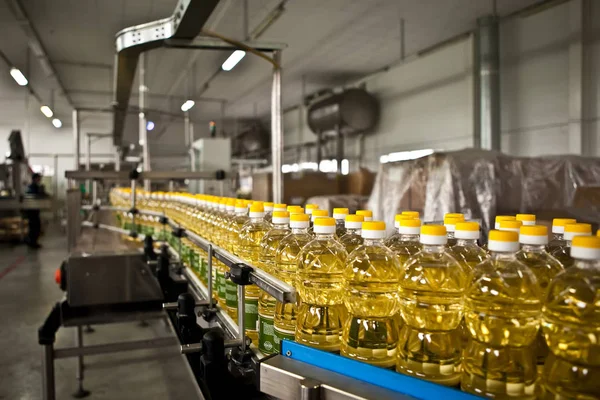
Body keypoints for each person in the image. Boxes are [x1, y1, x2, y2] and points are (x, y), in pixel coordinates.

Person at [24, 172, 46, 249]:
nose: (40, 179)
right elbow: (35, 196)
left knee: (35, 226)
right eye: (38, 178)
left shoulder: (34, 186)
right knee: (34, 227)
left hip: (34, 210)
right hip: (32, 210)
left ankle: (33, 242)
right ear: (35, 178)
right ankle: (32, 242)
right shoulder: (33, 187)